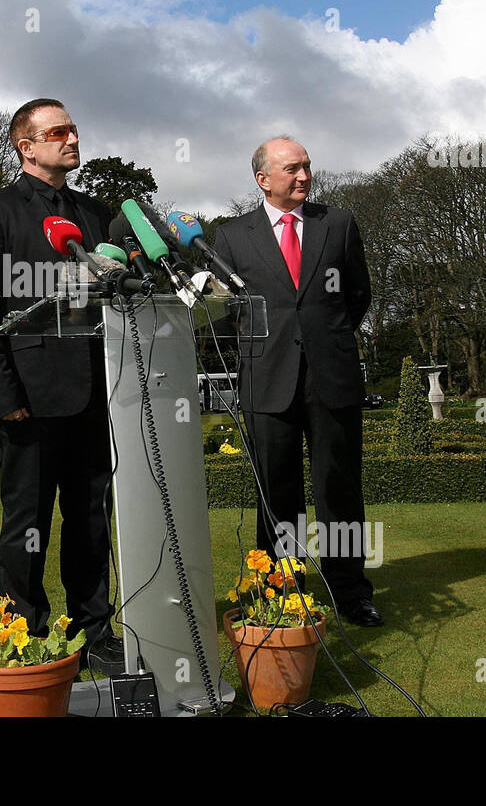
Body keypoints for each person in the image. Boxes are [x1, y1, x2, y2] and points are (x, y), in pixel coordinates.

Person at [0, 97, 125, 669]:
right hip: (29, 399)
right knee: (26, 524)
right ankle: (25, 636)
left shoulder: (96, 214)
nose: (72, 138)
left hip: (96, 394)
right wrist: (2, 397)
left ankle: (94, 633)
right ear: (25, 146)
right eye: (58, 132)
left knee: (90, 519)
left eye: (75, 129)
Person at [212, 136, 383, 626]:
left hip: (331, 379)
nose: (304, 176)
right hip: (266, 380)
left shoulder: (339, 223)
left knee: (340, 489)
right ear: (263, 179)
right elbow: (225, 315)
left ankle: (351, 592)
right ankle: (283, 592)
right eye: (292, 168)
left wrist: (324, 339)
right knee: (276, 492)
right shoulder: (232, 236)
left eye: (307, 166)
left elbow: (357, 296)